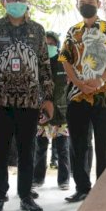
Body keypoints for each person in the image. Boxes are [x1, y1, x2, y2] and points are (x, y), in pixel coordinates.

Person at [0, 0, 54, 211]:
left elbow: (44, 66)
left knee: (27, 151)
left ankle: (26, 197)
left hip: (29, 103)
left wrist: (48, 98)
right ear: (4, 2)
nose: (18, 2)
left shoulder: (38, 31)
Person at [59, 0, 106, 203]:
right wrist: (78, 82)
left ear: (99, 3)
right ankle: (82, 188)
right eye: (82, 1)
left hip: (102, 97)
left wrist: (100, 80)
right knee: (78, 145)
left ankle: (104, 190)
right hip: (76, 97)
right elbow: (65, 59)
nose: (86, 4)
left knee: (103, 144)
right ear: (76, 5)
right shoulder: (72, 31)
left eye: (90, 0)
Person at [33, 31, 70, 190]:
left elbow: (67, 87)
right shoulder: (36, 63)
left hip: (61, 113)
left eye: (52, 44)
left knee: (62, 149)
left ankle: (64, 180)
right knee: (40, 148)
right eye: (45, 44)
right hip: (41, 114)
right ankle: (37, 179)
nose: (49, 47)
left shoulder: (63, 63)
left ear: (57, 45)